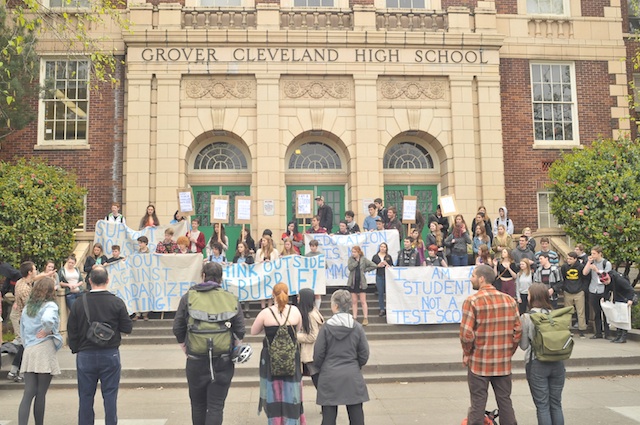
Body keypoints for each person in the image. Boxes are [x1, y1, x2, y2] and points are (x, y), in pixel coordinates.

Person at [172, 262, 246, 425]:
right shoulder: (231, 298)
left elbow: (177, 327)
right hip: (223, 360)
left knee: (198, 405)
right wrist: (233, 347)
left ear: (203, 276)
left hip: (196, 359)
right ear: (221, 278)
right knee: (216, 406)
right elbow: (240, 330)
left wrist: (186, 349)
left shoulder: (188, 297)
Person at [67, 266, 133, 425]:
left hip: (85, 353)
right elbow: (127, 327)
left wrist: (76, 348)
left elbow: (72, 330)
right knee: (110, 395)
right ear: (107, 280)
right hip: (110, 352)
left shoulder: (79, 302)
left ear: (90, 281)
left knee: (85, 396)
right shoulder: (116, 302)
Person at [460, 264, 521, 425]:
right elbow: (518, 331)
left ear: (481, 279)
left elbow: (466, 334)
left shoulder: (472, 301)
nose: (471, 279)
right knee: (505, 400)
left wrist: (467, 353)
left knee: (478, 402)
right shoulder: (509, 300)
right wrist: (509, 351)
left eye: (473, 276)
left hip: (479, 361)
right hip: (502, 360)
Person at [251, 283, 305, 425]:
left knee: (273, 391)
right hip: (291, 358)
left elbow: (253, 331)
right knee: (291, 390)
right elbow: (298, 330)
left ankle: (275, 420)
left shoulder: (265, 313)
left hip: (271, 358)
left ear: (273, 295)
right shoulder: (295, 311)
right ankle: (292, 419)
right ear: (287, 294)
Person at [314, 289, 369, 425]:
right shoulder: (357, 327)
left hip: (329, 375)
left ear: (336, 306)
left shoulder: (326, 328)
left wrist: (323, 368)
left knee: (328, 418)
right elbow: (364, 354)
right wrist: (355, 365)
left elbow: (318, 355)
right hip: (352, 375)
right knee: (357, 418)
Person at [519, 283, 566, 425]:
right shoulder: (556, 315)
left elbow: (524, 346)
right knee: (556, 404)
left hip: (537, 362)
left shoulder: (527, 317)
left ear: (532, 297)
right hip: (558, 362)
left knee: (542, 406)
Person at [18, 277, 62, 425]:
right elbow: (48, 319)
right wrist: (47, 330)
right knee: (41, 393)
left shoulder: (27, 308)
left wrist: (28, 345)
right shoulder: (50, 305)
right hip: (43, 348)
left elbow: (22, 331)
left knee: (28, 393)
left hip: (29, 349)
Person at [7, 261, 38, 383]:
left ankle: (14, 370)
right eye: (34, 269)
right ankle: (21, 373)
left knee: (24, 346)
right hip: (28, 320)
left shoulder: (20, 282)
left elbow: (34, 279)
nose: (36, 271)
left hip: (23, 318)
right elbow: (30, 307)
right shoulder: (25, 289)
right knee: (27, 347)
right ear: (30, 272)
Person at [296, 287, 324, 388]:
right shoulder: (313, 312)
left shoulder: (310, 315)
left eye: (299, 296)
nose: (297, 298)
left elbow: (313, 336)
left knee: (317, 380)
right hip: (313, 352)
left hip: (310, 352)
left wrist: (296, 336)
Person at [601, 270, 636, 343]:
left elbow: (630, 289)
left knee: (624, 318)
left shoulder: (619, 280)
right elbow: (607, 289)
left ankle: (623, 337)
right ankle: (618, 335)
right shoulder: (608, 282)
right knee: (617, 317)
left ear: (608, 278)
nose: (605, 283)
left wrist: (630, 299)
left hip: (625, 298)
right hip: (617, 298)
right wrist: (604, 297)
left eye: (606, 282)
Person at [347, 246, 377, 326]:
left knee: (363, 301)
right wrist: (356, 262)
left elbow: (373, 265)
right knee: (354, 301)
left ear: (359, 252)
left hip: (361, 282)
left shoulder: (363, 259)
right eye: (352, 252)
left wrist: (365, 270)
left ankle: (365, 318)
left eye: (355, 252)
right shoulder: (351, 259)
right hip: (353, 282)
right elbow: (350, 267)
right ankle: (354, 317)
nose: (353, 253)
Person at [559, 252, 587, 338]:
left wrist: (583, 289)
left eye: (570, 259)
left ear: (575, 259)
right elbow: (563, 277)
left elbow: (585, 278)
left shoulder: (581, 266)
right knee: (568, 312)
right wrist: (564, 288)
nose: (568, 260)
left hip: (579, 291)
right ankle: (568, 329)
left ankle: (582, 330)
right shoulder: (564, 267)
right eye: (567, 258)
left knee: (580, 312)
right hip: (568, 291)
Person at [233, 242, 254, 319]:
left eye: (241, 247)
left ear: (245, 248)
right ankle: (237, 310)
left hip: (246, 278)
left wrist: (247, 265)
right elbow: (233, 265)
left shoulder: (249, 257)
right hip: (237, 278)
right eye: (238, 247)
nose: (239, 249)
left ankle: (246, 310)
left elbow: (253, 267)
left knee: (246, 293)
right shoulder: (236, 257)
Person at [372, 242, 393, 317]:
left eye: (384, 247)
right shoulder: (375, 257)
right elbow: (371, 266)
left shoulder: (388, 257)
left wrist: (387, 265)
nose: (382, 248)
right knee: (380, 292)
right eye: (381, 246)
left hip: (387, 276)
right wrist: (377, 266)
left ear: (386, 248)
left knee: (388, 293)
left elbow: (392, 266)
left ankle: (389, 308)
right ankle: (382, 309)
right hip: (379, 276)